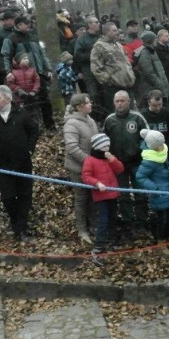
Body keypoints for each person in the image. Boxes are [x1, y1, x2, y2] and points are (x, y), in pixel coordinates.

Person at [0, 85, 40, 242]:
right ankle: (16, 221)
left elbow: (34, 130)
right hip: (2, 164)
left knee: (25, 194)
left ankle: (21, 228)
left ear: (8, 98)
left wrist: (29, 149)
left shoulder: (21, 113)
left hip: (23, 162)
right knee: (8, 197)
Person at [103, 91, 150, 237]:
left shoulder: (137, 117)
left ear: (129, 101)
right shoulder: (109, 120)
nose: (119, 104)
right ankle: (128, 222)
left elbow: (148, 138)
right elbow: (104, 141)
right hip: (118, 163)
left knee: (140, 193)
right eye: (117, 101)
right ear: (113, 102)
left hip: (137, 162)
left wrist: (141, 153)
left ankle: (142, 221)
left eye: (122, 101)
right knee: (123, 194)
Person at [136, 129, 169, 255]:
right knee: (163, 220)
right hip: (159, 194)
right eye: (158, 146)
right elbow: (140, 177)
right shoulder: (148, 160)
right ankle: (161, 244)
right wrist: (154, 188)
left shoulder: (164, 152)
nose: (161, 147)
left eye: (162, 144)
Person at [81, 133, 123, 265]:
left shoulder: (109, 157)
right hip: (101, 196)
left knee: (113, 217)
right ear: (98, 147)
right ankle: (99, 245)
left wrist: (113, 160)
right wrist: (97, 183)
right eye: (105, 146)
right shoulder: (90, 160)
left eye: (108, 146)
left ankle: (112, 239)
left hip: (113, 194)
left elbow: (120, 169)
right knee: (103, 220)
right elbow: (86, 176)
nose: (107, 148)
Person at [63, 94, 99, 245]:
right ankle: (82, 230)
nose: (90, 104)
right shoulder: (71, 124)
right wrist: (89, 161)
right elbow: (71, 147)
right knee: (81, 199)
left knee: (92, 197)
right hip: (78, 168)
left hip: (92, 168)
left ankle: (94, 226)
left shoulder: (90, 120)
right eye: (87, 102)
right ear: (79, 107)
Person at [91, 21, 136, 117]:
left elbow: (126, 62)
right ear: (107, 32)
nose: (117, 32)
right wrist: (108, 81)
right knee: (117, 114)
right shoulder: (99, 46)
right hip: (114, 88)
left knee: (132, 113)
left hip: (128, 85)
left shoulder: (119, 45)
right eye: (114, 30)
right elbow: (96, 68)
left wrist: (131, 74)